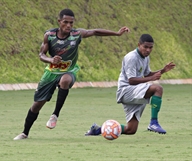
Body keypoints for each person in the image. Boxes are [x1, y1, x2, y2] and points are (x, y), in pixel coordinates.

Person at [13, 8, 130, 140]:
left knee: (65, 80)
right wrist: (50, 59)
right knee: (37, 104)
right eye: (65, 22)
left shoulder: (76, 34)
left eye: (71, 23)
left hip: (69, 71)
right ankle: (25, 133)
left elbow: (95, 31)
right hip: (51, 73)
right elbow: (41, 54)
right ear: (59, 21)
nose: (68, 25)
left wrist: (117, 33)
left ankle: (55, 115)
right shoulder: (49, 35)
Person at [85, 34, 176, 136]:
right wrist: (151, 79)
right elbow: (131, 80)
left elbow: (146, 74)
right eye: (145, 47)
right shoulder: (131, 57)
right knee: (157, 89)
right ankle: (153, 123)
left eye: (151, 48)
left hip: (135, 90)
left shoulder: (145, 58)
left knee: (131, 130)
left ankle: (98, 129)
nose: (148, 50)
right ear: (138, 45)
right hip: (126, 90)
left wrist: (162, 71)